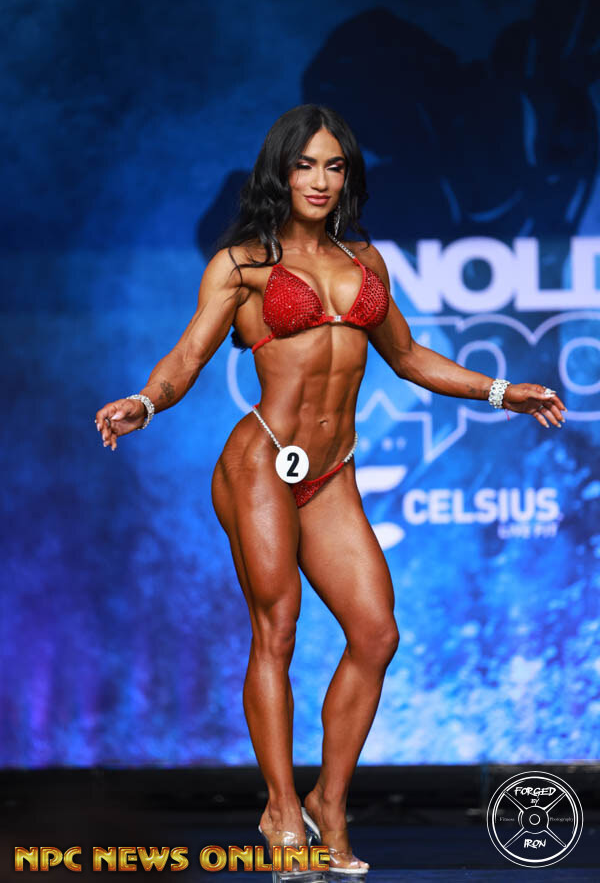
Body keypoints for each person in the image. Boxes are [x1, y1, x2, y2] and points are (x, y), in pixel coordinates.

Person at [95, 104, 566, 878]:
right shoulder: (242, 264)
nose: (320, 180)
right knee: (276, 630)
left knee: (376, 633)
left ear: (348, 176)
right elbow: (187, 357)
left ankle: (328, 802)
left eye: (334, 166)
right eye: (306, 164)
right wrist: (145, 404)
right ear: (281, 172)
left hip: (330, 471)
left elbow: (408, 357)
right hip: (261, 462)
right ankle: (281, 809)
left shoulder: (365, 260)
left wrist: (500, 391)